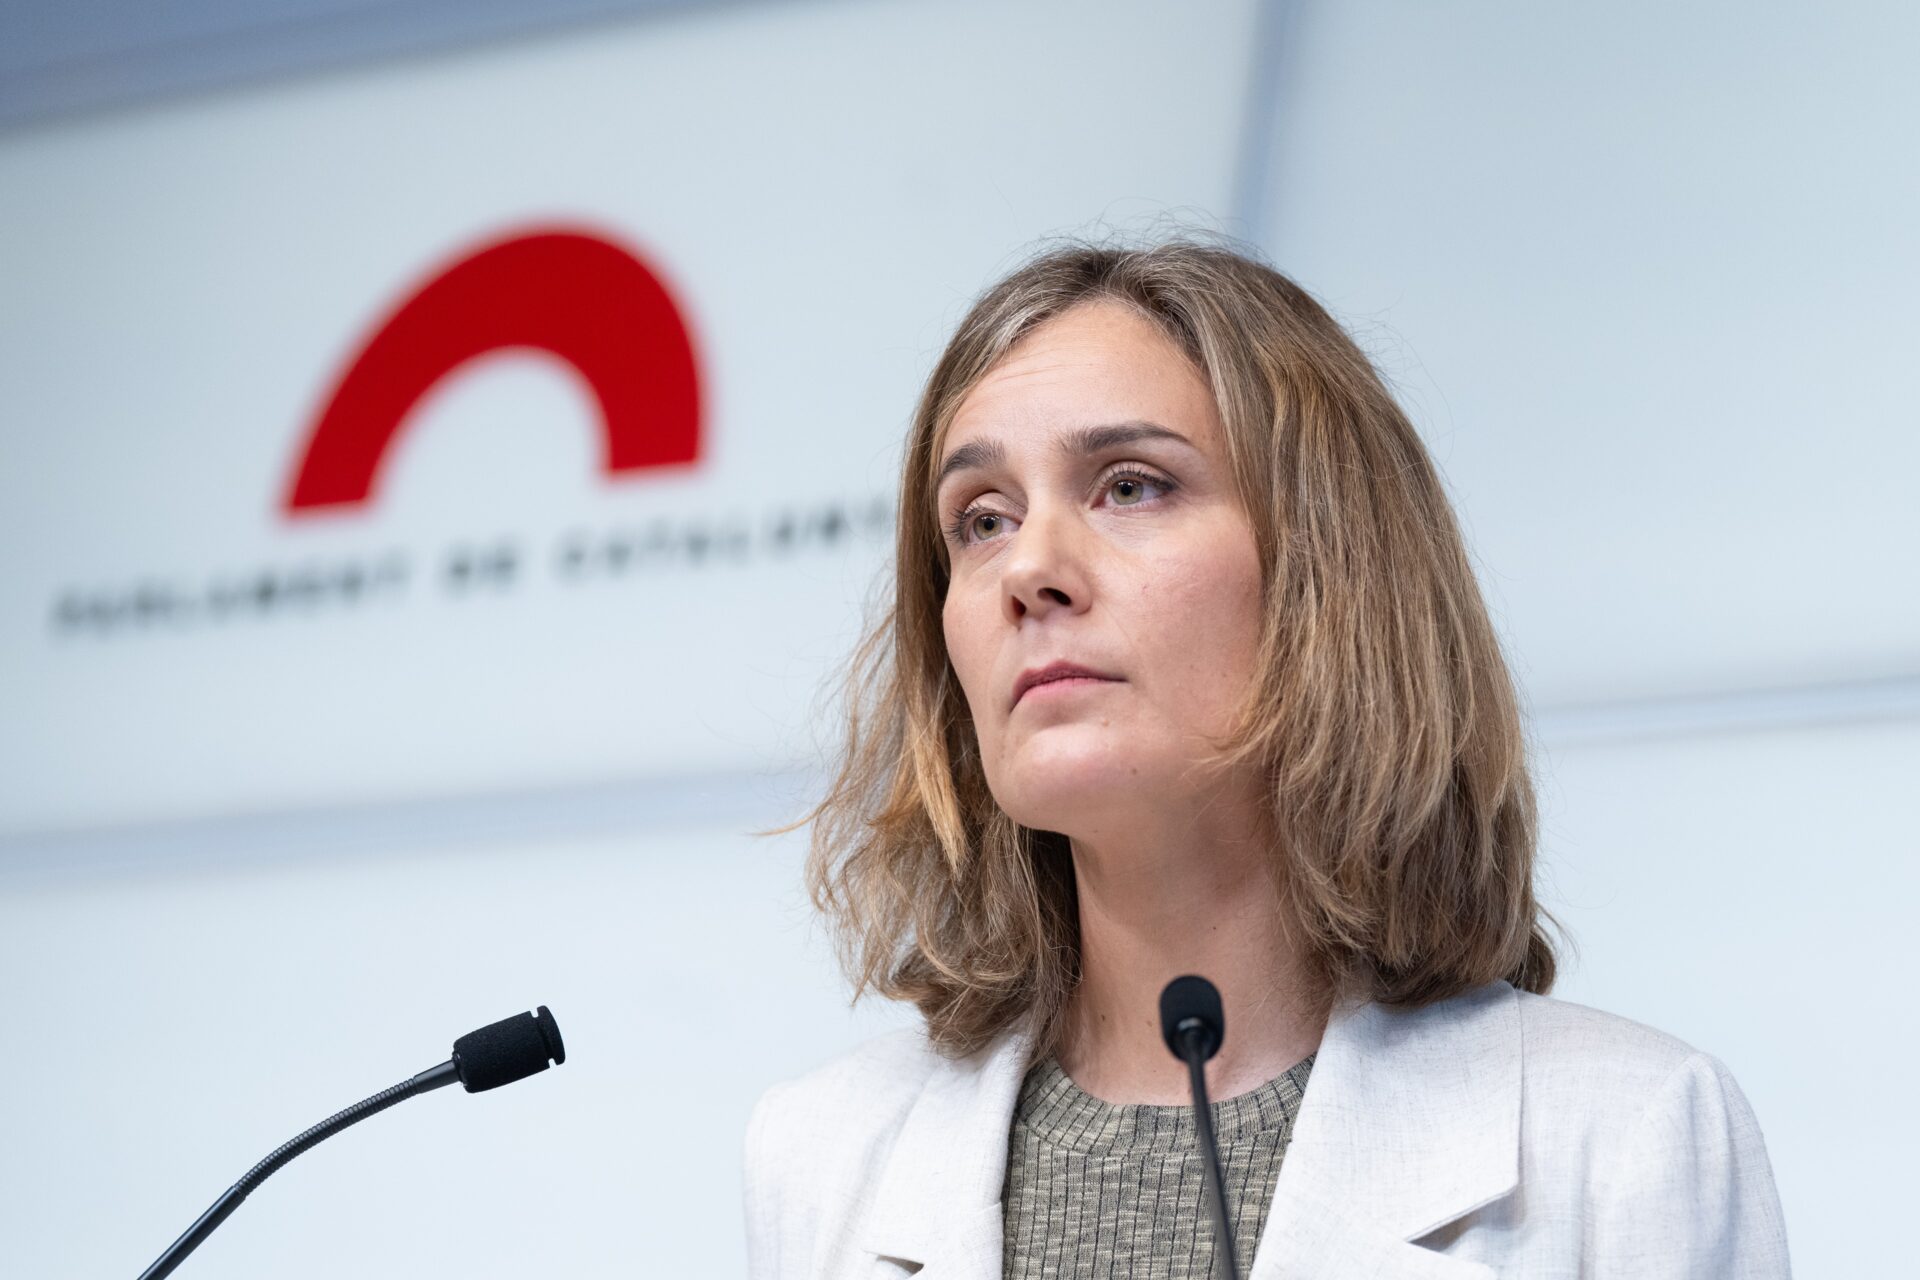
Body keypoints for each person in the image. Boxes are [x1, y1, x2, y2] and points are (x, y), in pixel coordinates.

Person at [744, 235, 1791, 1279]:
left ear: (1327, 570)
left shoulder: (1626, 1139)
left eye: (1130, 486)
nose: (1029, 567)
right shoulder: (822, 1159)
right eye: (981, 520)